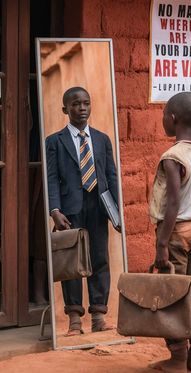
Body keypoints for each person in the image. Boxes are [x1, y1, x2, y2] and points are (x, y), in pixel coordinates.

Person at [149, 92, 191, 373]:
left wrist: (162, 243)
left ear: (172, 119)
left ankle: (177, 358)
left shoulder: (173, 156)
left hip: (176, 232)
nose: (163, 117)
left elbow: (173, 202)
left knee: (173, 292)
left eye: (164, 113)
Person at [46, 86, 119, 335]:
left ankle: (98, 316)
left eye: (86, 103)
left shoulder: (102, 139)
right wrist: (54, 209)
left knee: (100, 259)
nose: (82, 108)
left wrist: (116, 211)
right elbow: (51, 177)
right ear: (65, 109)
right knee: (72, 262)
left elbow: (111, 176)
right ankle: (75, 319)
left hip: (98, 207)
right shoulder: (55, 141)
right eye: (76, 104)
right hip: (69, 210)